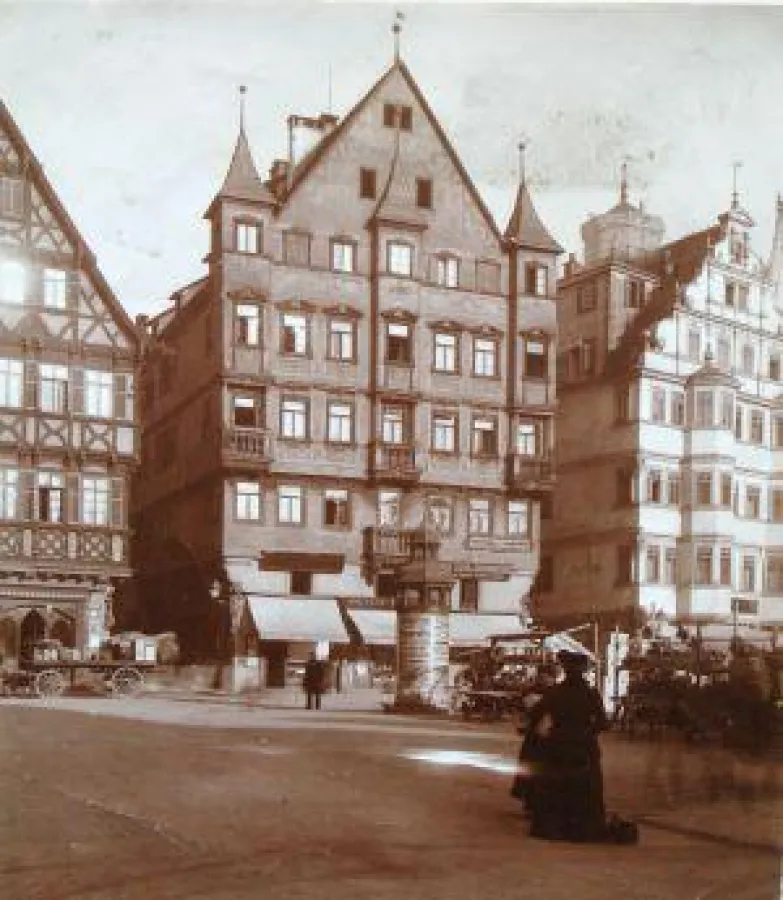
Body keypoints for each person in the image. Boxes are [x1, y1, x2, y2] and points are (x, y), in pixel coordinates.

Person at [525, 650, 609, 842]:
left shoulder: (555, 692)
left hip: (558, 745)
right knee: (585, 788)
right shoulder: (590, 693)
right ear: (583, 671)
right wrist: (587, 733)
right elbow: (603, 722)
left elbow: (535, 713)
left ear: (566, 670)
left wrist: (540, 733)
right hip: (584, 747)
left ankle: (555, 826)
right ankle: (582, 828)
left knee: (555, 786)